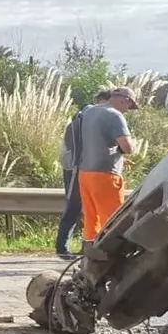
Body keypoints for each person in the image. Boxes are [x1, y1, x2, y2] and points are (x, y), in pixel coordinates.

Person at [77, 86, 139, 243]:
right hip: (106, 175)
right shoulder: (115, 115)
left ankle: (90, 249)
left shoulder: (88, 112)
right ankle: (112, 252)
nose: (128, 110)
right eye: (129, 105)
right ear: (124, 100)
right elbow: (127, 148)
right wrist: (133, 145)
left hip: (84, 173)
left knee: (91, 218)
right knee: (113, 220)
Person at [55, 91, 110, 258]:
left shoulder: (84, 118)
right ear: (100, 101)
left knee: (87, 208)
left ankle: (84, 245)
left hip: (81, 168)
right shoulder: (83, 119)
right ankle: (62, 248)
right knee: (75, 205)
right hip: (78, 168)